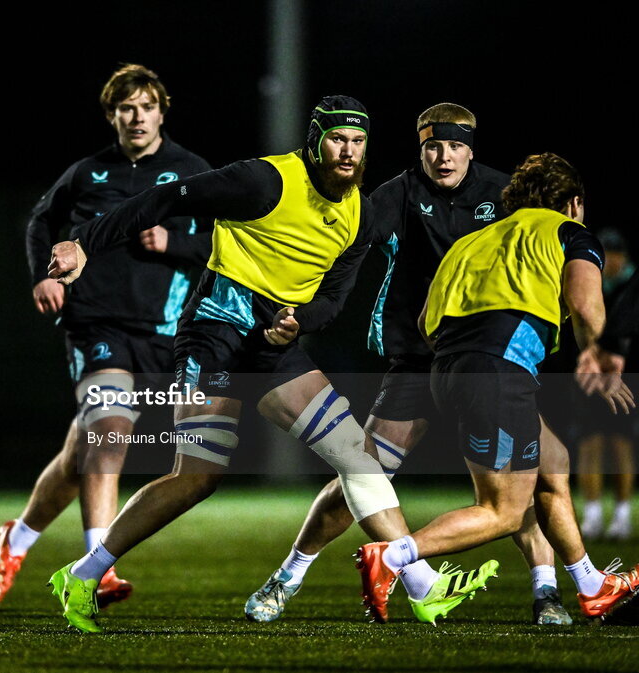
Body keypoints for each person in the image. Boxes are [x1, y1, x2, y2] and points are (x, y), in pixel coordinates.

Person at [44, 95, 497, 634]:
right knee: (197, 479)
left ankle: (422, 588)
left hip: (272, 346)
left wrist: (299, 323)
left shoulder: (359, 212)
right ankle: (83, 573)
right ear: (315, 140)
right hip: (213, 333)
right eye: (337, 139)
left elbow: (332, 298)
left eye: (357, 142)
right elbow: (165, 198)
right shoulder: (266, 181)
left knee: (356, 454)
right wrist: (82, 243)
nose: (348, 152)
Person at [245, 103, 573, 626]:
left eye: (455, 146)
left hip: (487, 361)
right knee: (363, 472)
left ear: (472, 148)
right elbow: (341, 245)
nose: (444, 157)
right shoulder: (397, 194)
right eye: (432, 147)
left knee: (521, 478)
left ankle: (546, 592)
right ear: (420, 149)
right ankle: (287, 577)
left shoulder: (505, 195)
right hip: (418, 363)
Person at [356, 152, 639, 624]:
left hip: (447, 369)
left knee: (554, 463)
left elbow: (428, 322)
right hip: (498, 372)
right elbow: (587, 304)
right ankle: (392, 558)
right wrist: (598, 355)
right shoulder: (570, 233)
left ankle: (592, 586)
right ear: (574, 204)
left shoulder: (472, 241)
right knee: (504, 510)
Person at [0, 64, 212, 607]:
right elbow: (40, 222)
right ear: (111, 115)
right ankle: (98, 569)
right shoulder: (87, 173)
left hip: (161, 333)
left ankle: (15, 539)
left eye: (146, 106)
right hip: (95, 325)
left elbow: (226, 242)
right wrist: (43, 273)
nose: (136, 117)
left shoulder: (192, 172)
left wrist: (173, 241)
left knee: (79, 456)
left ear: (162, 111)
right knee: (109, 437)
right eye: (125, 108)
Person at [575, 229, 635, 541]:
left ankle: (623, 514)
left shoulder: (631, 283)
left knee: (621, 442)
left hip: (626, 375)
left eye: (615, 254)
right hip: (592, 375)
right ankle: (594, 514)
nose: (610, 260)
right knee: (590, 441)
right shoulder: (587, 278)